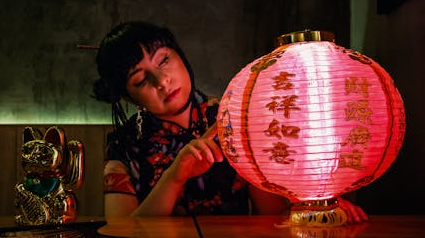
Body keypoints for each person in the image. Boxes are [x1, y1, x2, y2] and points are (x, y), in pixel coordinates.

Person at [92, 21, 368, 224]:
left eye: (163, 60)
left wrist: (314, 206)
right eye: (141, 80)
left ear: (180, 56)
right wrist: (175, 176)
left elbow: (270, 214)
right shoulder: (124, 143)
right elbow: (121, 231)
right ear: (129, 97)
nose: (162, 81)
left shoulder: (236, 118)